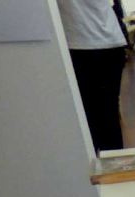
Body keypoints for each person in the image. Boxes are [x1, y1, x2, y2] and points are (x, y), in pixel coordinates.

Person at [55, 0, 128, 152]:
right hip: (105, 43)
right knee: (103, 115)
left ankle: (109, 162)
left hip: (85, 46)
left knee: (98, 116)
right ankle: (110, 161)